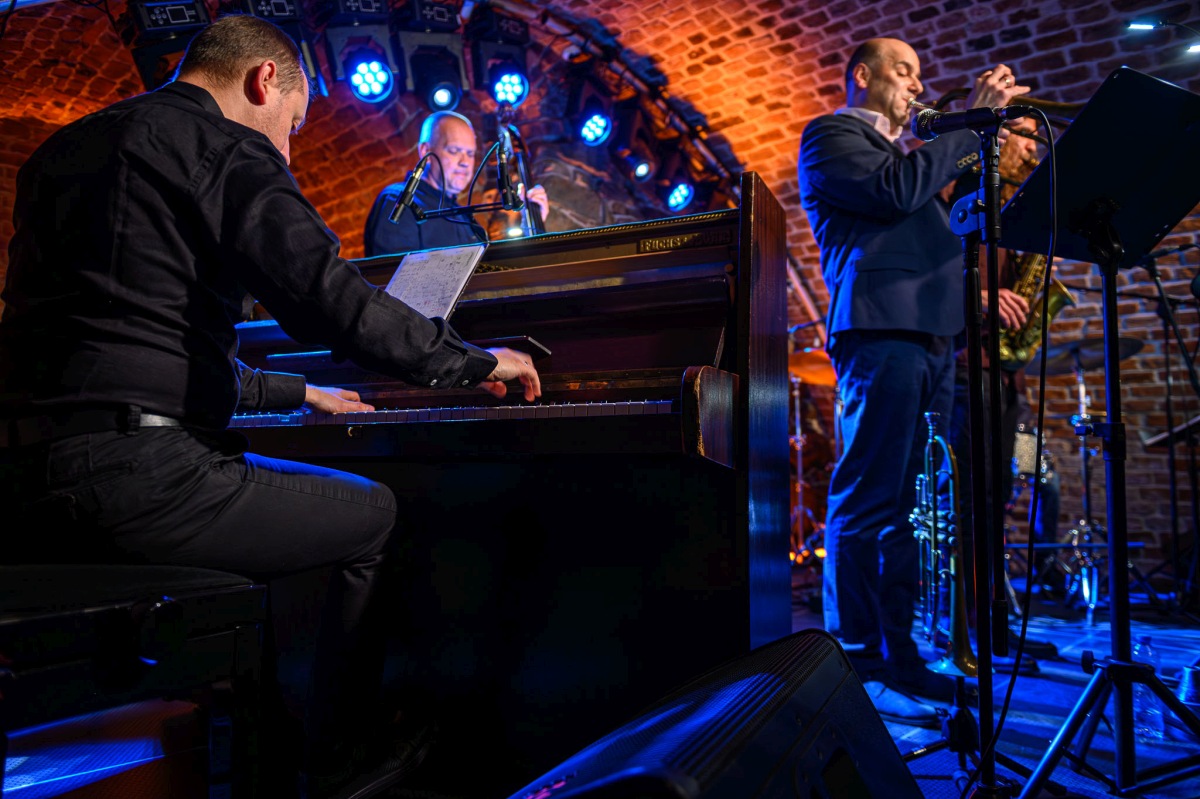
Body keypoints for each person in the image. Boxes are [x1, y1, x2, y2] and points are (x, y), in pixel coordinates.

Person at [0, 14, 541, 798]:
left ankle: (265, 739)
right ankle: (338, 759)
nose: (287, 150)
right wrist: (473, 361)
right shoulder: (224, 145)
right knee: (374, 515)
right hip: (137, 482)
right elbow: (330, 299)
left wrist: (300, 389)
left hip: (24, 484)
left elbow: (146, 356)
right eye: (292, 125)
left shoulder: (60, 153)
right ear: (262, 81)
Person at [796, 36, 1027, 727]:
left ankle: (900, 654)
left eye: (920, 73)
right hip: (880, 329)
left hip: (933, 337)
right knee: (870, 496)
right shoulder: (832, 136)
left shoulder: (913, 157)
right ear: (862, 76)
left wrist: (989, 149)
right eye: (904, 71)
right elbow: (894, 191)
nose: (917, 84)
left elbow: (945, 220)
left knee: (910, 506)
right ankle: (858, 661)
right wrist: (966, 125)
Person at [363, 110, 551, 256]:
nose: (465, 162)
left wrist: (528, 225)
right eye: (454, 151)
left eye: (470, 154)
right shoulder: (398, 201)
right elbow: (395, 281)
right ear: (425, 151)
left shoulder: (461, 215)